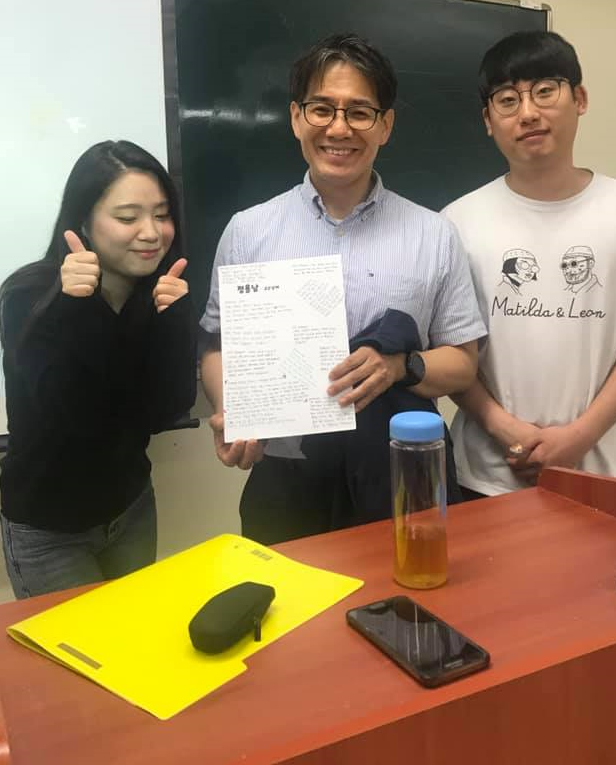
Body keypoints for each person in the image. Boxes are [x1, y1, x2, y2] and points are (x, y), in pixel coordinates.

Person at [201, 33, 484, 543]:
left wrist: (400, 367)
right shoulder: (248, 230)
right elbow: (218, 346)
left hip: (400, 475)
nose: (339, 128)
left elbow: (463, 363)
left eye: (359, 112)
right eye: (322, 109)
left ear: (385, 125)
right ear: (296, 117)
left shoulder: (433, 233)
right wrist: (235, 413)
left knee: (407, 590)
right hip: (287, 475)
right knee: (286, 594)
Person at [443, 30, 616, 497]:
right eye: (507, 100)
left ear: (579, 99)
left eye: (545, 90)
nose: (528, 113)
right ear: (488, 120)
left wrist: (580, 436)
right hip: (487, 475)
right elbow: (451, 352)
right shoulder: (457, 223)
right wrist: (502, 427)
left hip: (604, 473)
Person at [0, 141, 196, 597]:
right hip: (49, 529)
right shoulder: (30, 296)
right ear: (84, 221)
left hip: (131, 509)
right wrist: (77, 309)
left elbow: (167, 408)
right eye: (127, 217)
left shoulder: (158, 293)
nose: (152, 232)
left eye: (162, 214)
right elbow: (74, 414)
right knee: (68, 645)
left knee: (133, 635)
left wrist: (175, 323)